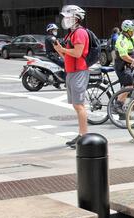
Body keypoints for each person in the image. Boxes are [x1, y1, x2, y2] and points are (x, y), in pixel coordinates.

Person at [53, 5, 90, 149]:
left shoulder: (80, 33)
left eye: (68, 17)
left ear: (76, 18)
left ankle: (84, 136)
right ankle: (81, 134)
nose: (65, 20)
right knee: (76, 105)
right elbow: (68, 55)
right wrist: (60, 51)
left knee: (79, 105)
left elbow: (78, 53)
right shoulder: (71, 34)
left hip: (79, 72)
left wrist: (63, 49)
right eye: (65, 17)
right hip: (71, 71)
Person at [113, 20, 134, 117]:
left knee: (132, 83)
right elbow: (124, 56)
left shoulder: (131, 38)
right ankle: (118, 105)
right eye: (132, 30)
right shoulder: (121, 40)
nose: (133, 32)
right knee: (129, 85)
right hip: (122, 66)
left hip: (130, 65)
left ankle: (123, 113)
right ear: (127, 30)